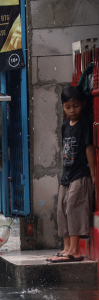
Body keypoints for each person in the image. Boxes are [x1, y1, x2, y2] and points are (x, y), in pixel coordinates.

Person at [49, 86, 94, 263]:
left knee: (73, 208)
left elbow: (89, 149)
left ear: (82, 105)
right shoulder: (64, 125)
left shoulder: (85, 124)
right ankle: (66, 248)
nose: (72, 110)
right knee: (61, 210)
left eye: (75, 106)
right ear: (62, 106)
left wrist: (93, 174)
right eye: (68, 107)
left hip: (81, 173)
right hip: (66, 174)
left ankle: (75, 251)